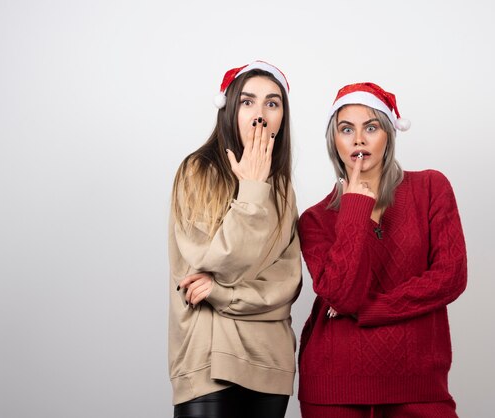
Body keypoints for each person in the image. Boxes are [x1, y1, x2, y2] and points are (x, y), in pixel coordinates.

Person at [297, 82, 467, 418]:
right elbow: (342, 297)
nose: (358, 139)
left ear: (388, 134)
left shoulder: (431, 188)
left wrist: (373, 309)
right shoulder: (315, 220)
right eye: (347, 129)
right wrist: (356, 205)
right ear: (335, 141)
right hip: (335, 386)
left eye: (370, 127)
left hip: (418, 384)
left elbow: (451, 276)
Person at [168, 60, 302, 418]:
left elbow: (286, 285)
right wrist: (252, 190)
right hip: (208, 361)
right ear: (228, 110)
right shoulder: (197, 171)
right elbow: (210, 263)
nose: (260, 114)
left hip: (270, 363)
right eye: (247, 102)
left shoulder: (283, 189)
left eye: (272, 104)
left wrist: (222, 294)